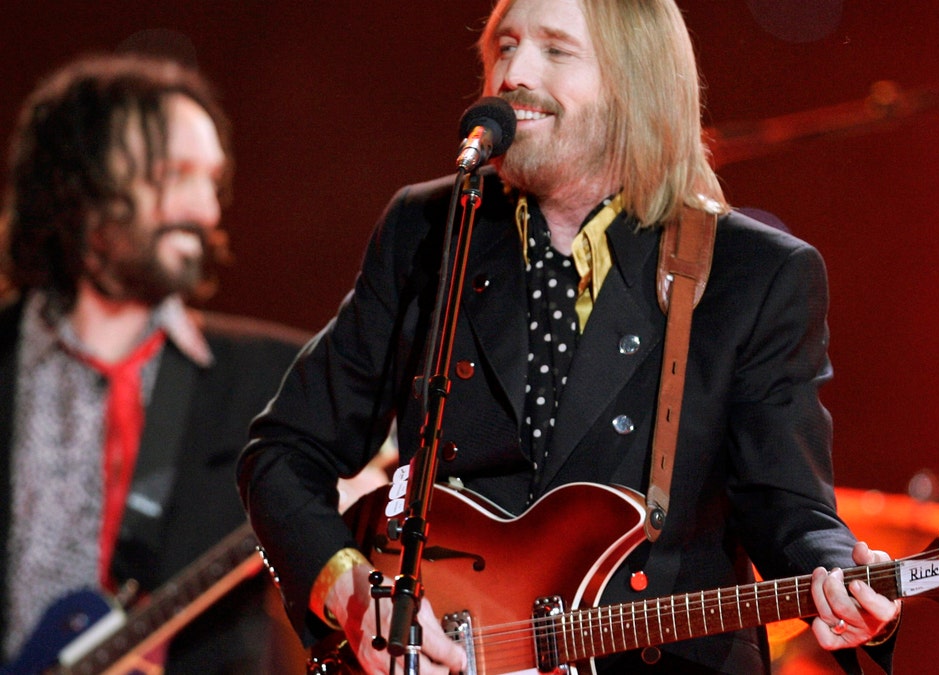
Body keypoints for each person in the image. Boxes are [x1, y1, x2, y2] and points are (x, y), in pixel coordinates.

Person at [238, 0, 902, 673]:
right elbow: (283, 452)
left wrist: (839, 575)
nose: (512, 72)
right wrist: (357, 595)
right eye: (504, 45)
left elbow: (787, 506)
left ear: (635, 81)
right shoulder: (428, 230)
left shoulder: (752, 273)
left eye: (555, 50)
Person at [0, 54, 309, 672]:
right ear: (81, 180)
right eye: (175, 175)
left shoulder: (279, 379)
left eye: (211, 181)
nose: (207, 210)